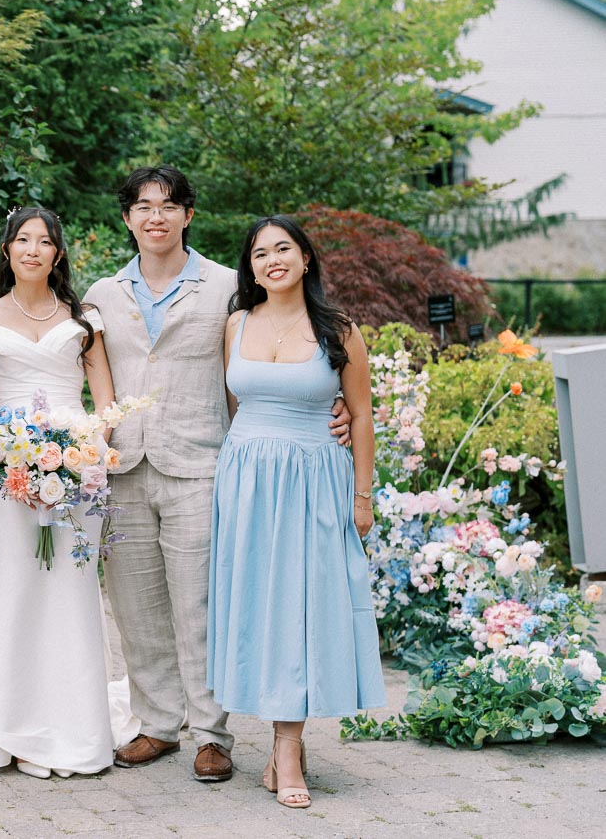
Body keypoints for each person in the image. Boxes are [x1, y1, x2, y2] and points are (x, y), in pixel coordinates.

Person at [82, 166, 351, 782]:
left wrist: (327, 407)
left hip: (202, 463)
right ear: (127, 219)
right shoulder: (100, 294)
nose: (156, 216)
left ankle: (211, 733)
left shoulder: (229, 288)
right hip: (124, 467)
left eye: (168, 206)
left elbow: (288, 348)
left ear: (188, 216)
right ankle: (156, 724)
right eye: (143, 207)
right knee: (135, 605)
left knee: (202, 604)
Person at [0, 207, 140, 779]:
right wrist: (9, 453)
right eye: (22, 240)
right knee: (15, 579)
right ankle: (4, 720)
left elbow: (104, 399)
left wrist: (85, 455)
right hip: (11, 474)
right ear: (6, 251)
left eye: (45, 241)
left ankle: (73, 723)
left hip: (78, 471)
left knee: (72, 589)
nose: (33, 249)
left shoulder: (84, 317)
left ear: (58, 253)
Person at [206, 215, 386, 809]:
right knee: (260, 609)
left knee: (301, 610)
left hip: (315, 483)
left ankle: (286, 749)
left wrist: (362, 498)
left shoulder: (339, 329)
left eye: (283, 249)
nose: (271, 260)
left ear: (306, 258)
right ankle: (285, 741)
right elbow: (240, 406)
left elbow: (359, 415)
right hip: (248, 485)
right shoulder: (236, 324)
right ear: (250, 267)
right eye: (260, 253)